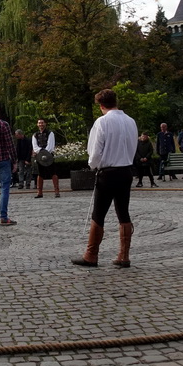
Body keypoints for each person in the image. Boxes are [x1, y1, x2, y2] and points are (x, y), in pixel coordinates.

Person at [72, 88, 138, 268]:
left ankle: (91, 255)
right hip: (126, 171)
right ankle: (124, 256)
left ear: (101, 105)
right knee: (123, 212)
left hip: (108, 173)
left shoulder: (102, 122)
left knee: (98, 214)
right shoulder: (131, 121)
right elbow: (133, 147)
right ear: (115, 101)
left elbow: (94, 152)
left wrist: (94, 166)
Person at [32, 118, 60, 198]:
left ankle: (56, 191)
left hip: (49, 156)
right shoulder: (35, 135)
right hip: (39, 157)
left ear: (45, 124)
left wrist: (45, 153)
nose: (41, 124)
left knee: (53, 173)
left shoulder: (50, 133)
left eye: (42, 123)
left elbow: (51, 145)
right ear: (37, 124)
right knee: (40, 173)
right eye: (39, 123)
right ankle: (39, 192)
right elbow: (35, 146)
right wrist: (40, 152)